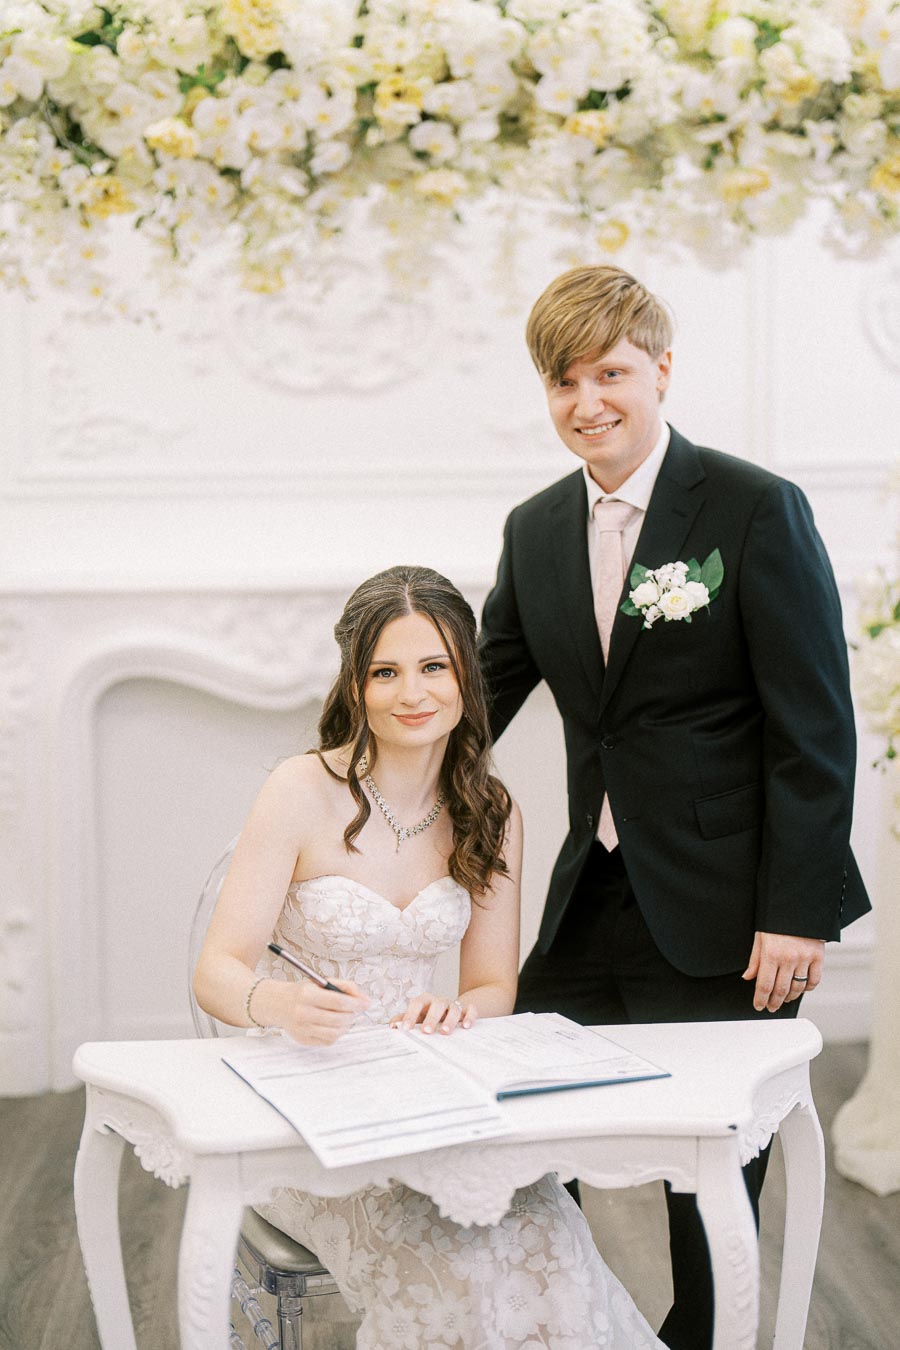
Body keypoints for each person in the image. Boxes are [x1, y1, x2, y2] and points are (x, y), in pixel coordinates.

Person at [479, 265, 871, 1350]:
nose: (586, 400)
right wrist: (348, 780)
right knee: (511, 1142)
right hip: (590, 899)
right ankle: (570, 1327)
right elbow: (480, 696)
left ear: (660, 368)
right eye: (563, 380)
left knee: (708, 1186)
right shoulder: (534, 528)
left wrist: (796, 909)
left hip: (728, 909)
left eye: (610, 371)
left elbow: (815, 729)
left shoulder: (751, 508)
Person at [194, 564, 664, 1350]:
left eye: (433, 667)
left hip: (430, 1095)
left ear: (464, 677)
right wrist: (280, 1006)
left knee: (546, 1230)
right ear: (356, 684)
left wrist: (460, 1010)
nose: (411, 692)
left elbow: (490, 985)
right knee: (453, 1259)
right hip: (309, 1110)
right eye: (386, 671)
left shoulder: (491, 810)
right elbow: (218, 972)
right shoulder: (299, 790)